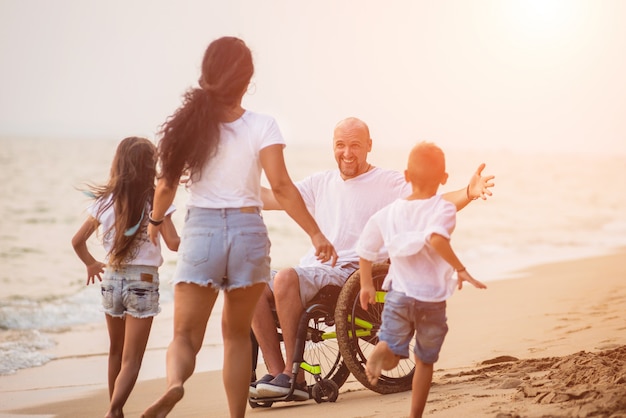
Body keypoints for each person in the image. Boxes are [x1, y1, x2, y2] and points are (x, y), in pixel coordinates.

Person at [141, 36, 337, 418]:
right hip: (248, 233)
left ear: (206, 75)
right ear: (248, 80)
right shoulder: (263, 125)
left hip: (202, 233)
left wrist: (155, 221)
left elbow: (164, 187)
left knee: (184, 336)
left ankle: (175, 385)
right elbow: (282, 187)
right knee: (235, 337)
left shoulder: (186, 126)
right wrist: (315, 233)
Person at [251, 117, 494, 400]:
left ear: (369, 146)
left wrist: (469, 192)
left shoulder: (387, 182)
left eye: (355, 145)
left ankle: (296, 379)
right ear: (333, 146)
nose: (347, 153)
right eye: (340, 145)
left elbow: (431, 202)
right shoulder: (320, 183)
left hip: (351, 273)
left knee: (284, 279)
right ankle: (277, 373)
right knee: (248, 285)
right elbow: (272, 197)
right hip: (315, 269)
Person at [357, 141, 487, 417]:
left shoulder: (390, 212)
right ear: (444, 179)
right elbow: (437, 238)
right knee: (424, 361)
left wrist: (367, 283)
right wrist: (460, 268)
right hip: (431, 301)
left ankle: (383, 349)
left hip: (400, 295)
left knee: (393, 355)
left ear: (406, 176)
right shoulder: (443, 209)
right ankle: (415, 415)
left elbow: (366, 247)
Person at [71, 136, 180, 418]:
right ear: (149, 165)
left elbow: (77, 241)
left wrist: (92, 264)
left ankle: (115, 412)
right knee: (132, 359)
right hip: (142, 283)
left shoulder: (105, 201)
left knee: (116, 353)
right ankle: (114, 410)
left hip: (111, 280)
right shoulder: (157, 199)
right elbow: (173, 243)